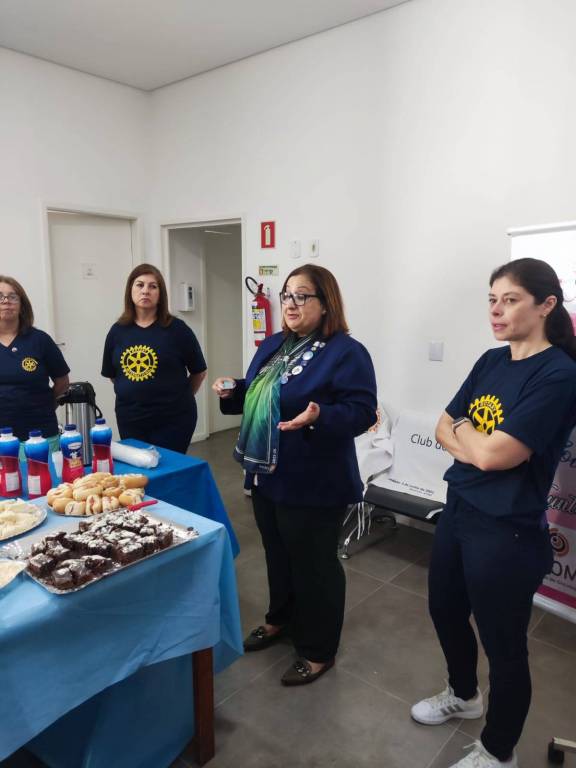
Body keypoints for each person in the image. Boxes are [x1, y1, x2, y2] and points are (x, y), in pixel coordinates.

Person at [411, 258, 576, 768]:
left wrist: (466, 434)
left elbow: (493, 455)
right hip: (459, 508)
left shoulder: (559, 374)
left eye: (510, 300)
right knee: (444, 609)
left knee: (504, 646)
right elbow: (441, 424)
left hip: (507, 530)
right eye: (491, 300)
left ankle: (498, 749)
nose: (496, 311)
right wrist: (471, 440)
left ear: (546, 305)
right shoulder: (490, 360)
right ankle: (463, 694)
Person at [213, 264, 377, 686]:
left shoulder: (346, 352)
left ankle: (319, 649)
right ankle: (281, 619)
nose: (290, 303)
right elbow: (260, 392)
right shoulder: (274, 344)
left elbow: (362, 412)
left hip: (314, 478)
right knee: (278, 554)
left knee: (314, 565)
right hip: (267, 473)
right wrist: (234, 390)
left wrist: (321, 416)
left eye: (302, 295)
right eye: (286, 294)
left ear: (326, 304)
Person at [101, 264, 207, 453]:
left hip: (174, 419)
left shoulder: (177, 330)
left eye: (153, 286)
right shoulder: (117, 331)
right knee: (138, 466)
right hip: (130, 418)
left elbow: (199, 371)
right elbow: (113, 374)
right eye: (140, 285)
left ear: (160, 294)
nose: (145, 291)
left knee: (168, 466)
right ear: (130, 290)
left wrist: (180, 398)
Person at [0, 275, 70, 450]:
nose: (6, 301)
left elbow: (62, 382)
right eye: (0, 296)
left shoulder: (40, 340)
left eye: (12, 296)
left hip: (40, 434)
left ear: (22, 305)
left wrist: (46, 405)